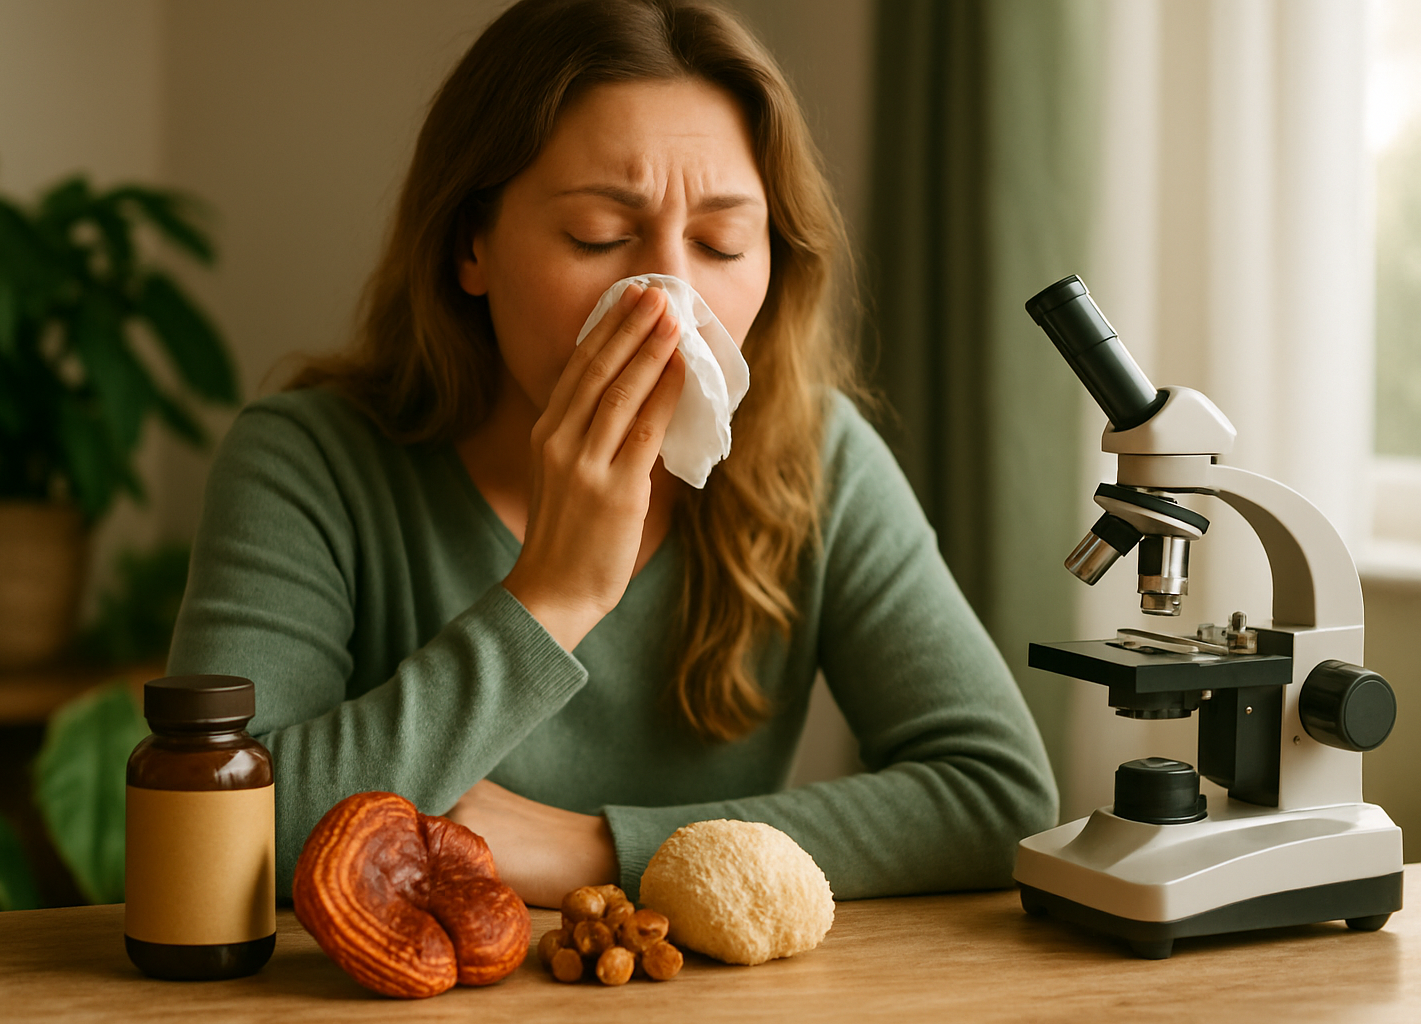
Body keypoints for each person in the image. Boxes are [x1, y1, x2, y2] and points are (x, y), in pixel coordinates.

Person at [166, 0, 1058, 909]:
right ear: (470, 243)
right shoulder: (308, 463)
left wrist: (593, 850)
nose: (669, 302)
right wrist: (553, 595)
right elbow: (216, 836)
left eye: (722, 242)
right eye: (598, 234)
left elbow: (997, 798)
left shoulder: (816, 458)